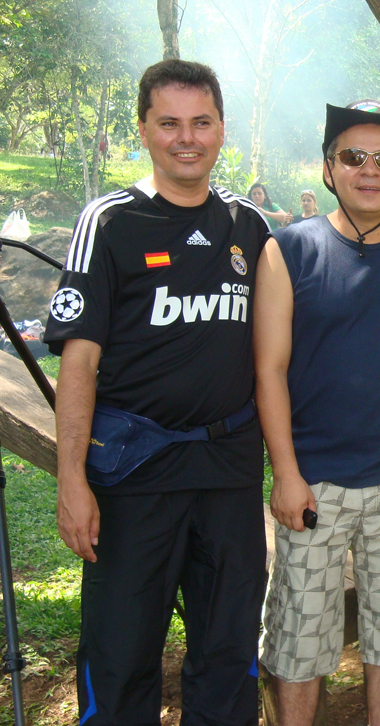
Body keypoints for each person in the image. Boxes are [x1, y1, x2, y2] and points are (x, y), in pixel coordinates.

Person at [44, 59, 270, 725]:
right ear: (143, 129)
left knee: (229, 647)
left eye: (201, 122)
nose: (186, 138)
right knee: (120, 650)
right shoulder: (110, 221)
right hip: (133, 469)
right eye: (169, 123)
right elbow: (79, 362)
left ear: (222, 129)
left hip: (228, 468)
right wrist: (71, 480)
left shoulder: (249, 226)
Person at [254, 100, 380, 726]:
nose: (371, 170)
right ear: (328, 167)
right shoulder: (288, 249)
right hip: (314, 479)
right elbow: (269, 369)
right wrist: (286, 474)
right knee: (300, 634)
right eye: (354, 156)